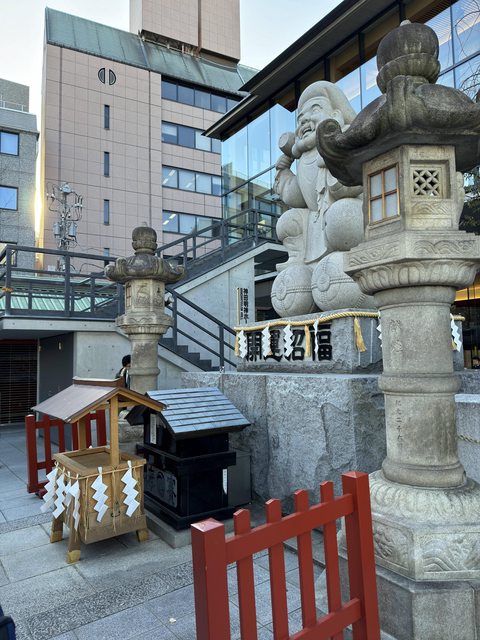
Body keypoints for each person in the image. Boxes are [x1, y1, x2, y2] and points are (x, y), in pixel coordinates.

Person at [271, 80, 368, 316]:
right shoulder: (305, 157)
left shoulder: (346, 144)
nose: (305, 120)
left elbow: (350, 186)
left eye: (314, 110)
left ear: (335, 115)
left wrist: (333, 156)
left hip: (348, 226)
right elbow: (295, 194)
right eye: (300, 118)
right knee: (289, 219)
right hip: (314, 228)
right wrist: (284, 172)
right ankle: (299, 266)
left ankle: (342, 267)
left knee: (341, 215)